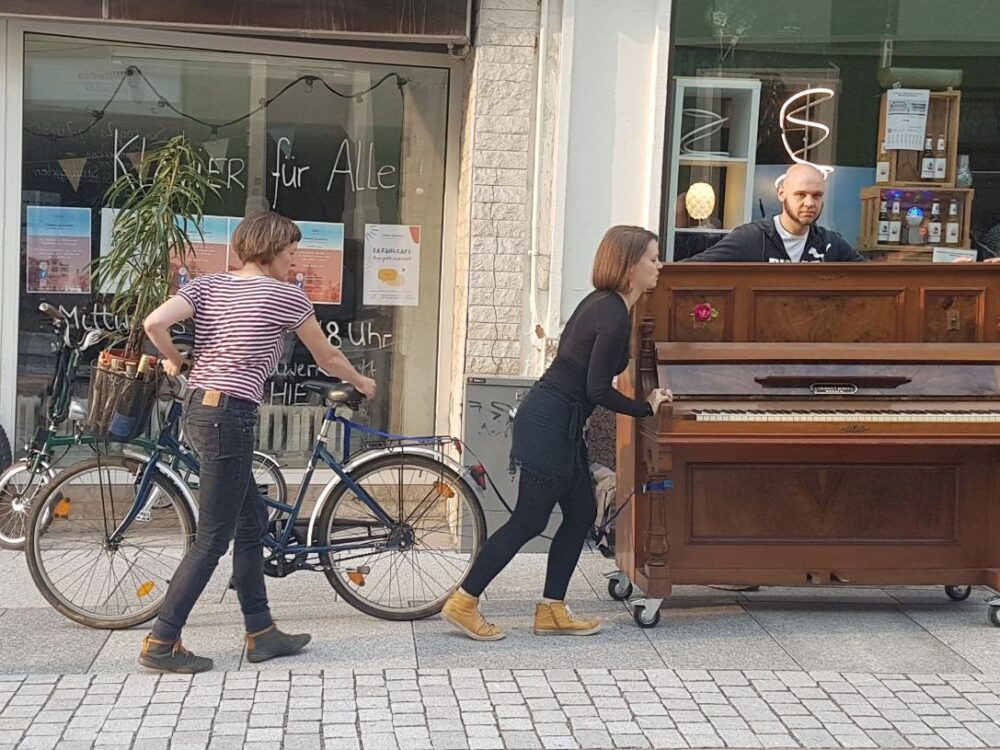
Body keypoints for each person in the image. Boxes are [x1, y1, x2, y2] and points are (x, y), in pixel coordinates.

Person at [139, 211, 376, 673]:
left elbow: (154, 324)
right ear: (269, 253)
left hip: (200, 410)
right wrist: (361, 380)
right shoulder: (286, 295)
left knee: (251, 522)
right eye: (290, 253)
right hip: (230, 416)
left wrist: (177, 361)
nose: (294, 262)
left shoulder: (208, 285)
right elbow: (326, 356)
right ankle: (161, 641)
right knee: (212, 538)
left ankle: (261, 632)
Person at [441, 225, 674, 640]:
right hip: (549, 423)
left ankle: (552, 609)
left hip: (560, 423)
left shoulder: (607, 304)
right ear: (629, 265)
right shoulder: (612, 313)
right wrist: (646, 407)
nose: (660, 265)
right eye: (652, 258)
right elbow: (597, 389)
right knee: (529, 519)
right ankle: (464, 600)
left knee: (582, 513)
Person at [683, 164, 865, 263]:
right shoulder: (751, 237)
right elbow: (696, 268)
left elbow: (874, 279)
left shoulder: (830, 243)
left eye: (817, 195)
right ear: (781, 193)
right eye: (800, 194)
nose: (809, 203)